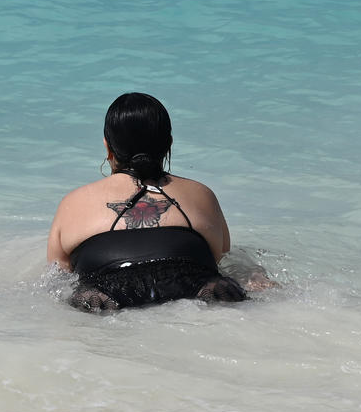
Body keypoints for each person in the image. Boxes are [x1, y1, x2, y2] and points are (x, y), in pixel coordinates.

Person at [46, 93, 251, 312]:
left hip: (104, 294)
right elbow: (222, 256)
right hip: (194, 282)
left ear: (107, 147)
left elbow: (57, 276)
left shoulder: (73, 203)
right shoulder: (202, 194)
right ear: (169, 143)